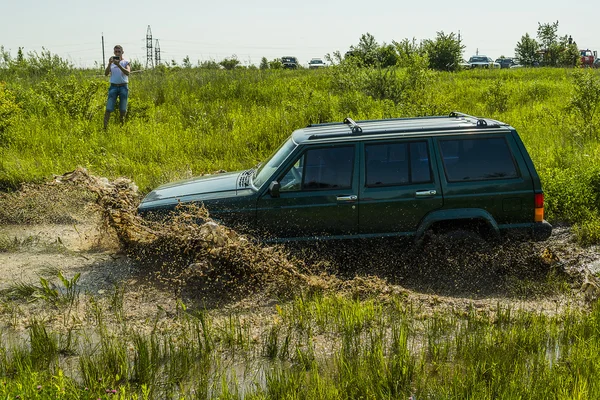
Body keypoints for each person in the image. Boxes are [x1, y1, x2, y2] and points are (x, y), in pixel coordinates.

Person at [104, 45, 131, 129]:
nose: (117, 53)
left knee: (123, 109)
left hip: (123, 86)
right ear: (114, 52)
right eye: (116, 51)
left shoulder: (126, 62)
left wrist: (119, 65)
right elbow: (106, 74)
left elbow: (127, 72)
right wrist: (109, 64)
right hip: (113, 87)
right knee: (108, 108)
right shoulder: (111, 63)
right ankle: (105, 128)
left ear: (122, 52)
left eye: (119, 51)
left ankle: (121, 127)